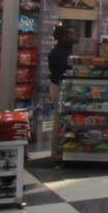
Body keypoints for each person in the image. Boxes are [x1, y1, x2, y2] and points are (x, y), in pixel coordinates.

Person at [47, 24, 76, 162]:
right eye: (70, 34)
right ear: (62, 36)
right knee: (59, 120)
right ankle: (55, 152)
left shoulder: (72, 50)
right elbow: (61, 69)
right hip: (58, 87)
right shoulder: (56, 53)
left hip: (69, 87)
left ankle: (70, 148)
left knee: (69, 120)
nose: (73, 36)